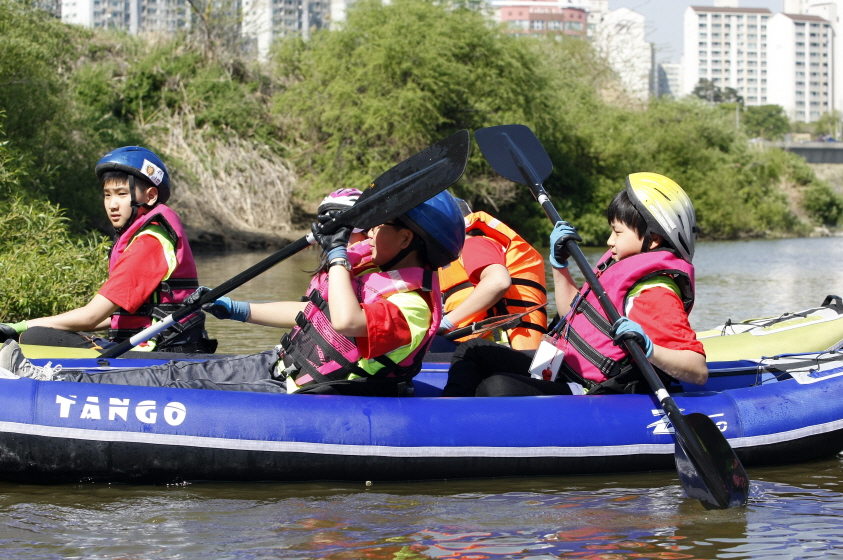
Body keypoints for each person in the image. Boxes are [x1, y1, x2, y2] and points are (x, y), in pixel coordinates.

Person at [0, 191, 466, 397]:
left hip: (311, 393)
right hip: (282, 367)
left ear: (407, 240)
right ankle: (45, 376)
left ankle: (49, 387)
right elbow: (315, 313)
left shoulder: (413, 305)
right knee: (177, 372)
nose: (371, 231)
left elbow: (346, 322)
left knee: (180, 385)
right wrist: (237, 309)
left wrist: (341, 253)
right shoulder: (375, 274)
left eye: (383, 225)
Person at [443, 172, 707, 397]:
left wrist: (648, 347)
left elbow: (697, 370)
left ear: (655, 239)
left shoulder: (655, 291)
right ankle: (446, 422)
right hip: (561, 363)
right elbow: (570, 310)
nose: (609, 241)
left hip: (586, 387)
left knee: (497, 387)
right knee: (473, 351)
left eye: (617, 232)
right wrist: (560, 265)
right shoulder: (618, 264)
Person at [0, 147, 215, 353]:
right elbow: (113, 316)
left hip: (162, 353)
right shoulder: (143, 236)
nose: (112, 204)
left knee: (33, 338)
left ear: (150, 196)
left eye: (121, 194)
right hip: (151, 348)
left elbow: (91, 316)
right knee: (43, 332)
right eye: (107, 195)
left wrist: (18, 327)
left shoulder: (150, 242)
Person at [435, 199, 547, 351]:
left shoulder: (473, 244)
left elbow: (498, 282)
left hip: (495, 350)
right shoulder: (459, 255)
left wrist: (445, 324)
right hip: (480, 347)